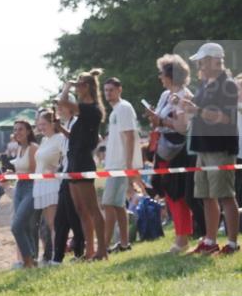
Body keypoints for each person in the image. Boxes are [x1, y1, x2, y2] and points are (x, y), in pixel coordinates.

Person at [179, 43, 239, 256]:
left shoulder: (228, 85)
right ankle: (210, 240)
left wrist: (197, 110)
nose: (199, 64)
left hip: (220, 147)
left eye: (202, 60)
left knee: (225, 195)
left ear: (214, 60)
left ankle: (232, 243)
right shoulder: (205, 84)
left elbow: (225, 118)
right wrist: (185, 103)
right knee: (205, 196)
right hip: (202, 147)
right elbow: (196, 109)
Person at [144, 54, 196, 254]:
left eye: (161, 73)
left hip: (178, 151)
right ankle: (179, 236)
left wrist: (162, 122)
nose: (159, 77)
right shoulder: (165, 95)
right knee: (168, 193)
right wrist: (153, 118)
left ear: (171, 75)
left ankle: (183, 239)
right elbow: (160, 119)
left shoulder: (185, 95)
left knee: (177, 194)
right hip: (163, 149)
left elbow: (183, 128)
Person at [56, 70, 108, 260]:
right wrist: (61, 128)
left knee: (93, 207)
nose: (76, 88)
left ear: (86, 87)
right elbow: (76, 138)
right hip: (74, 162)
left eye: (79, 85)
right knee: (80, 209)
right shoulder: (82, 112)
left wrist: (67, 86)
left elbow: (63, 102)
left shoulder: (91, 109)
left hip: (84, 162)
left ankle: (102, 250)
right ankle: (90, 251)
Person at [101, 78, 144, 253]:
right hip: (114, 165)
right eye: (105, 90)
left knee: (108, 203)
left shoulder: (124, 108)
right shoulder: (116, 110)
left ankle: (103, 247)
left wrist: (128, 166)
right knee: (118, 206)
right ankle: (124, 244)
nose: (108, 93)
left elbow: (130, 137)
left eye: (111, 89)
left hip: (120, 165)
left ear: (120, 89)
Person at [51, 100, 86, 264]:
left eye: (61, 106)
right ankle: (57, 257)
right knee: (61, 221)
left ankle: (79, 253)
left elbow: (77, 140)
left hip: (73, 176)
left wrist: (60, 129)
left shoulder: (77, 122)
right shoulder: (68, 123)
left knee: (73, 217)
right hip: (65, 174)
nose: (59, 109)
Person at [33, 111, 65, 264]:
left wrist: (58, 169)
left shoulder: (60, 138)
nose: (41, 127)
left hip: (52, 184)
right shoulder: (44, 140)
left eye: (44, 124)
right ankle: (52, 254)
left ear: (53, 123)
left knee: (54, 223)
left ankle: (56, 256)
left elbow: (66, 157)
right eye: (39, 125)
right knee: (48, 223)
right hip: (41, 184)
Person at [9, 120, 39, 269]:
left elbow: (34, 173)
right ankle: (32, 259)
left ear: (28, 131)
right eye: (15, 130)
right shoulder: (18, 149)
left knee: (17, 225)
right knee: (25, 226)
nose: (17, 132)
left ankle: (28, 259)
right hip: (19, 186)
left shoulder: (33, 148)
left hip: (31, 187)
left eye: (20, 129)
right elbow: (20, 171)